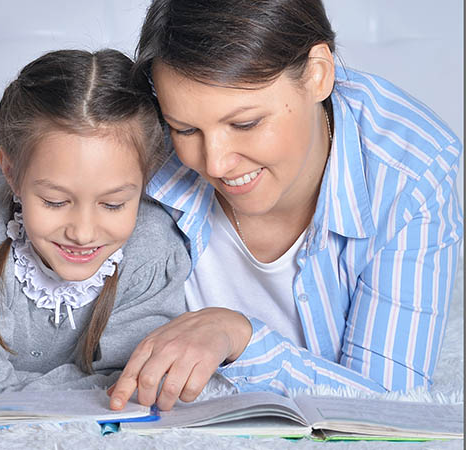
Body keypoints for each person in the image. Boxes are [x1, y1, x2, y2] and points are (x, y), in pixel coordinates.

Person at [108, 0, 463, 412]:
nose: (216, 163)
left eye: (245, 124)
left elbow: (388, 408)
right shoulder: (142, 134)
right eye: (186, 129)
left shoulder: (409, 174)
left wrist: (237, 335)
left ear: (318, 75)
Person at [0, 49, 189, 396]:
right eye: (55, 202)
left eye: (113, 204)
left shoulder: (153, 251)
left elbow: (132, 384)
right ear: (11, 173)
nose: (82, 233)